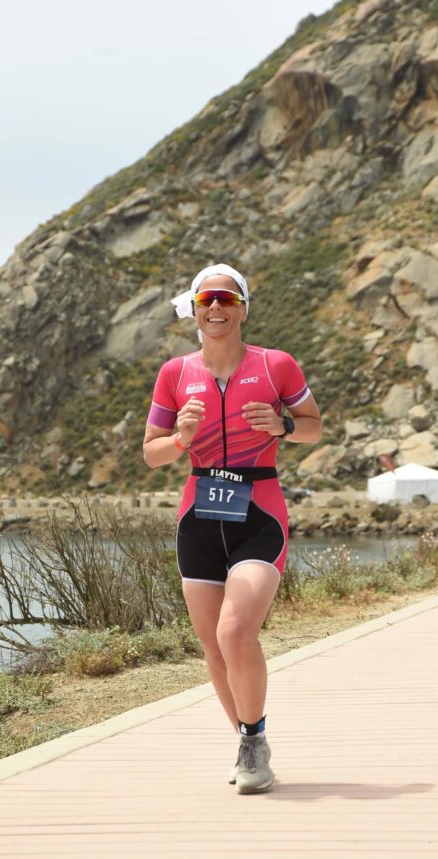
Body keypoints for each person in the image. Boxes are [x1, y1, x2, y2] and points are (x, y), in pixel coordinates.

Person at [143, 263, 322, 792]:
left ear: (242, 307)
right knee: (214, 648)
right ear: (194, 310)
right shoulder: (175, 374)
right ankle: (249, 742)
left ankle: (251, 741)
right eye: (206, 300)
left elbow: (313, 427)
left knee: (236, 630)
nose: (216, 308)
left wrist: (284, 425)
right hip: (198, 516)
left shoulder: (275, 366)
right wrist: (179, 439)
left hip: (258, 512)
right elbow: (151, 455)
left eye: (225, 299)